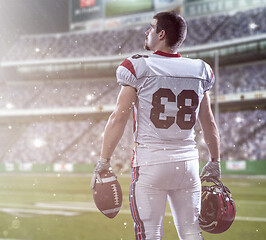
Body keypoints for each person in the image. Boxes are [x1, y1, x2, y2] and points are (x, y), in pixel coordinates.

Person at [90, 11, 221, 240]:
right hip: (188, 164)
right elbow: (208, 122)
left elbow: (118, 118)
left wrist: (103, 161)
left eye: (150, 28)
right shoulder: (200, 69)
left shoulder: (138, 66)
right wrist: (215, 160)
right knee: (191, 233)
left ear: (161, 34)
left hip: (151, 164)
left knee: (149, 235)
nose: (146, 32)